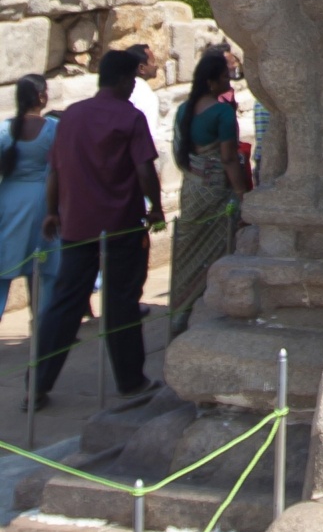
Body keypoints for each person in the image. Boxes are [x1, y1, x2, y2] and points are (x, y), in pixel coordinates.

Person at [34, 49, 165, 411]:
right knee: (121, 303)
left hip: (77, 225)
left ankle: (37, 384)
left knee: (63, 305)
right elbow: (144, 171)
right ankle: (130, 381)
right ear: (126, 80)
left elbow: (55, 171)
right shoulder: (129, 116)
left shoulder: (72, 116)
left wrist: (51, 212)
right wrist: (155, 208)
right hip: (120, 226)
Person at [168, 43, 251, 337]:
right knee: (218, 246)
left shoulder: (183, 111)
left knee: (189, 248)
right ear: (211, 81)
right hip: (216, 191)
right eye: (224, 78)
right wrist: (242, 195)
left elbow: (180, 151)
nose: (229, 83)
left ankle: (180, 310)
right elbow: (229, 158)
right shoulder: (222, 114)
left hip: (192, 188)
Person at [0, 76, 58, 320]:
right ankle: (43, 326)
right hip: (41, 202)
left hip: (8, 200)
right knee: (44, 269)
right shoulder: (53, 127)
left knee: (4, 266)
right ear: (42, 97)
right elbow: (57, 171)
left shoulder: (5, 128)